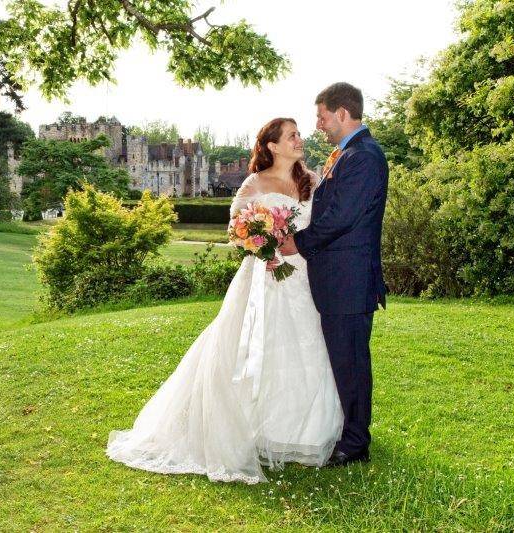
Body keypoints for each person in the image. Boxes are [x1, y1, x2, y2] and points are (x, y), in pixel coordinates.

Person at [106, 117, 343, 484]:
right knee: (252, 347)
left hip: (305, 276)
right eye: (292, 135)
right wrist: (262, 243)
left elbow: (323, 227)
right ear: (272, 146)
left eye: (300, 134)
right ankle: (251, 428)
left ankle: (301, 434)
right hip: (262, 277)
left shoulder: (311, 181)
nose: (300, 140)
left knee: (306, 347)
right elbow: (236, 229)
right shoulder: (255, 183)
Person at [280, 82, 389, 466]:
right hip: (339, 281)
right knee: (344, 361)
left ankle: (356, 443)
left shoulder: (364, 157)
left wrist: (300, 243)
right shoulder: (346, 154)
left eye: (323, 117)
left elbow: (341, 217)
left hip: (350, 281)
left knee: (352, 363)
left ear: (343, 113)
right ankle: (349, 431)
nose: (319, 125)